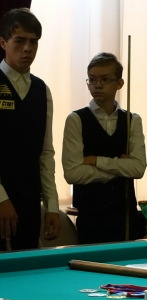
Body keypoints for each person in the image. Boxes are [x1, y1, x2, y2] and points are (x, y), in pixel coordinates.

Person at [62, 52, 147, 244]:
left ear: (119, 83)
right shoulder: (76, 120)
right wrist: (120, 169)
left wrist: (95, 161)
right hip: (91, 220)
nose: (97, 85)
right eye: (92, 79)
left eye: (105, 79)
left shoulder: (132, 120)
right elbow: (72, 173)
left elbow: (138, 169)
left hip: (126, 217)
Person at [0, 8, 60, 251]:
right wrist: (1, 199)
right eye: (20, 41)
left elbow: (45, 152)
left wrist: (52, 205)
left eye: (33, 42)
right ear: (3, 43)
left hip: (29, 202)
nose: (27, 48)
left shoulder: (42, 90)